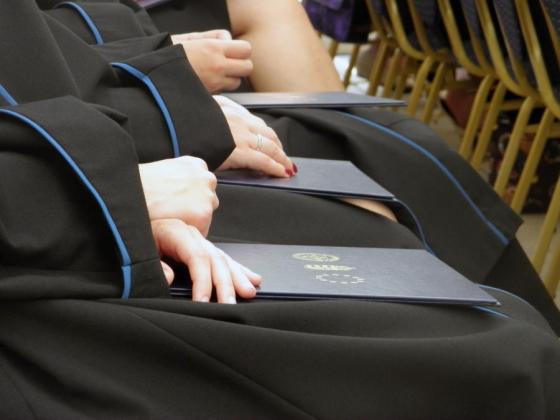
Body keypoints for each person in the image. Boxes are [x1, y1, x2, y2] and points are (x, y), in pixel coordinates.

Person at [1, 2, 560, 418]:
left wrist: (126, 152)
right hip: (39, 276)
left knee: (382, 192)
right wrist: (113, 179)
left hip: (56, 185)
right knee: (506, 353)